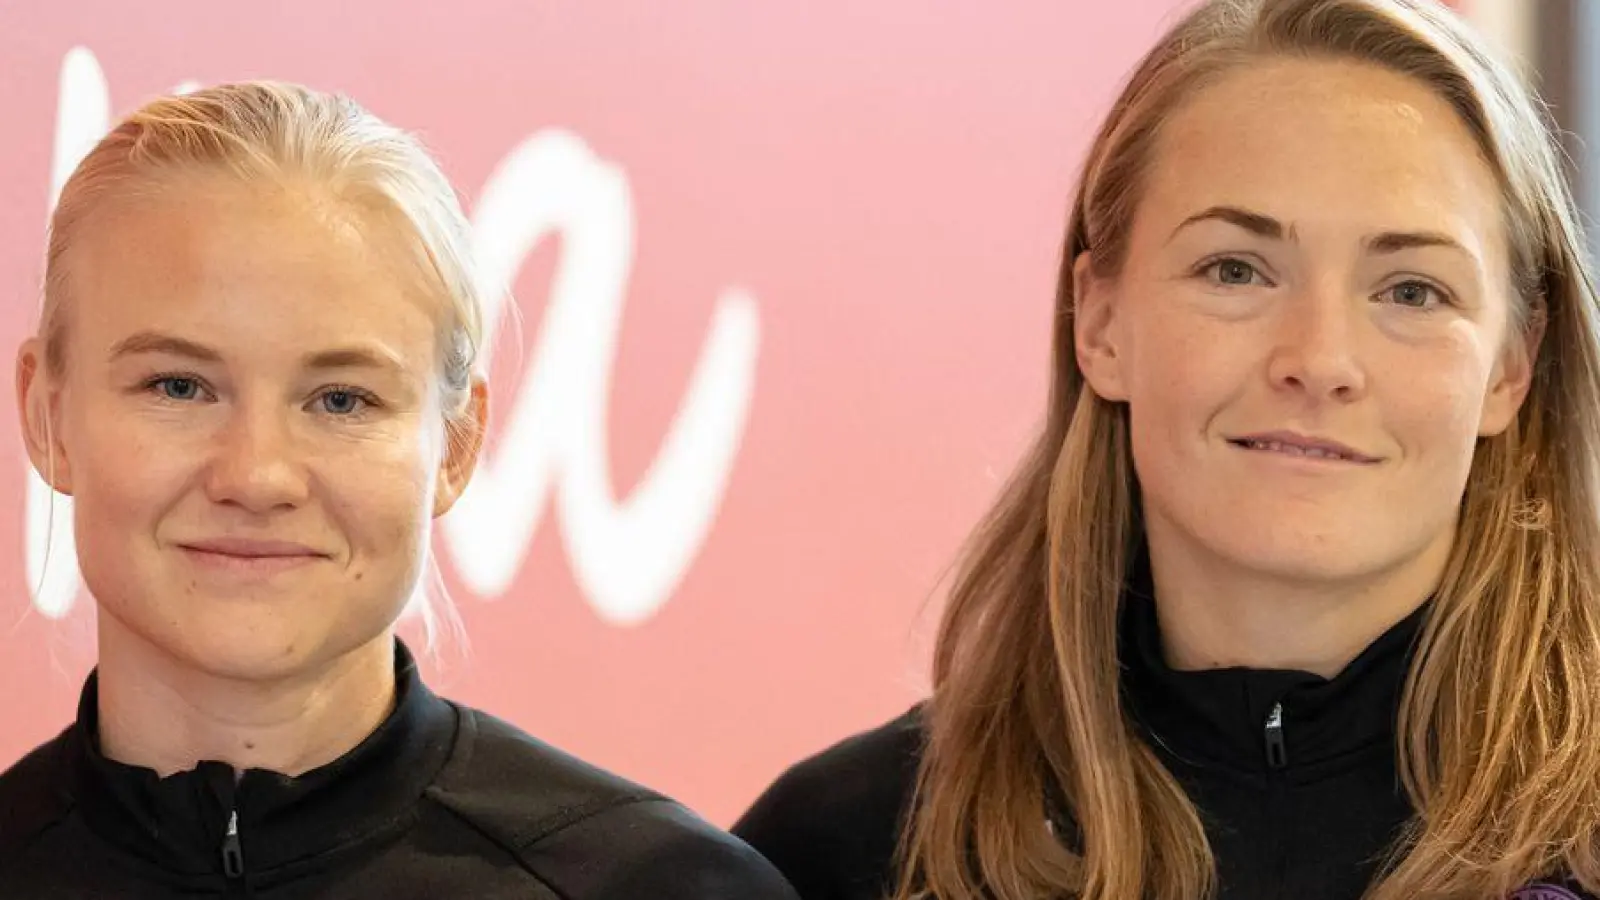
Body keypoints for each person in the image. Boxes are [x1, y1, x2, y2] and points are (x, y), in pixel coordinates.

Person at [733, 1, 1600, 899]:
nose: (1320, 361)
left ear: (1513, 367)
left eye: (1412, 291)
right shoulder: (840, 850)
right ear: (1101, 322)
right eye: (1236, 270)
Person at [0, 81, 797, 900]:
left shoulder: (662, 886)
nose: (256, 476)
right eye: (177, 387)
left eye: (341, 400)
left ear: (456, 445)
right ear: (47, 416)